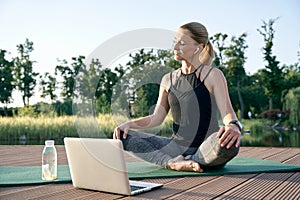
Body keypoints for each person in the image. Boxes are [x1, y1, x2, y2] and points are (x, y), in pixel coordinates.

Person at [113, 22, 242, 172]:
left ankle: (188, 161)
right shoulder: (168, 79)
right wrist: (129, 124)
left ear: (197, 47)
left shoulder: (212, 75)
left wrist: (233, 125)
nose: (175, 48)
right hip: (175, 148)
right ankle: (171, 163)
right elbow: (156, 118)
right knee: (122, 135)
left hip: (207, 147)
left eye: (181, 43)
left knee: (230, 144)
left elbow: (227, 112)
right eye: (175, 42)